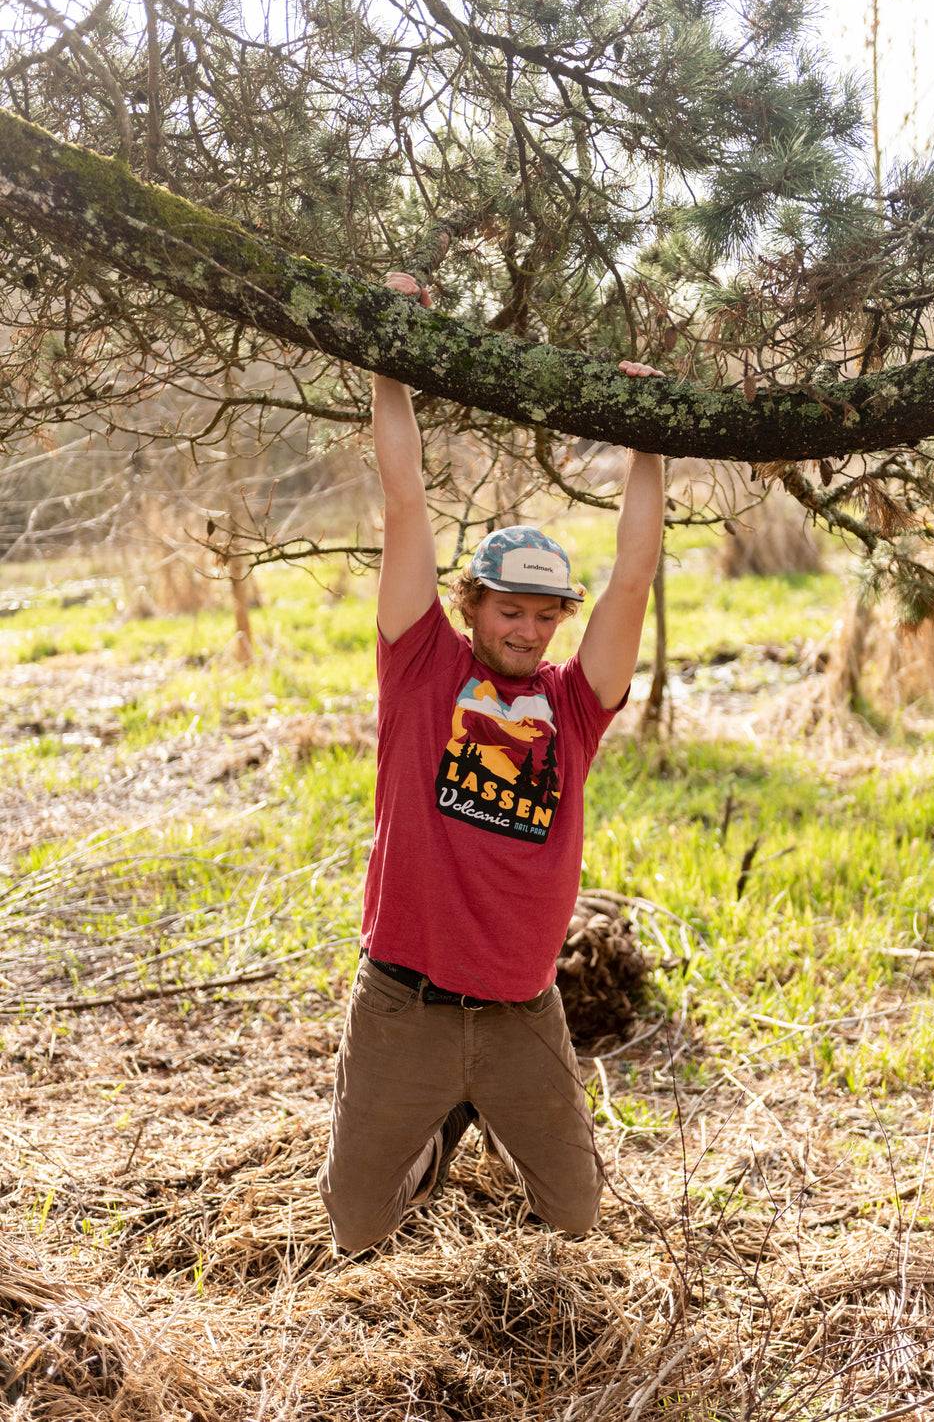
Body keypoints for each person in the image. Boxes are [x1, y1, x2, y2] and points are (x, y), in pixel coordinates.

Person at [318, 271, 665, 1254]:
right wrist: (391, 361)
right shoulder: (421, 665)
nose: (525, 628)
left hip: (521, 1008)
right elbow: (402, 502)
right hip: (404, 1000)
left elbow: (633, 576)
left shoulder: (570, 706)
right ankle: (436, 1131)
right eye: (507, 609)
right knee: (357, 1223)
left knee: (574, 1213)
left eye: (543, 614)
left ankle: (477, 1109)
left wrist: (648, 442)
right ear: (473, 606)